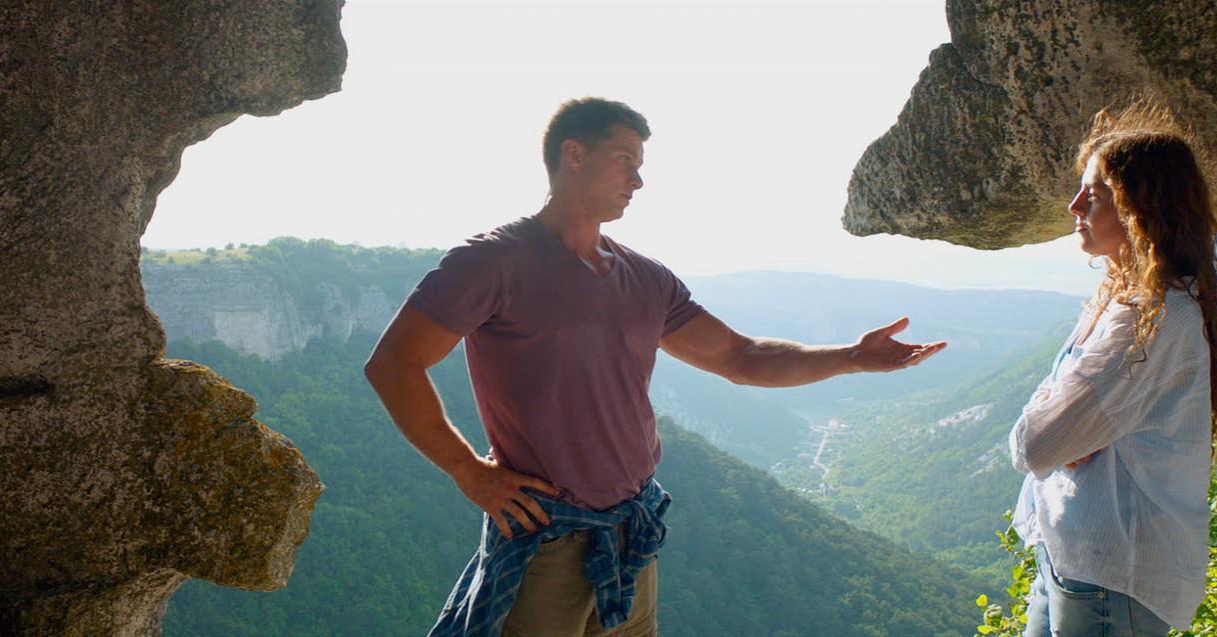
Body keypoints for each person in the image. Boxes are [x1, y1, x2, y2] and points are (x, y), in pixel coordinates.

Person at [363, 97, 946, 637]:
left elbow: (740, 357)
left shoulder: (645, 277)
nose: (638, 180)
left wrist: (851, 358)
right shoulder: (492, 262)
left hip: (631, 531)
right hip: (545, 536)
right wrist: (468, 471)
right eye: (625, 161)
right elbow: (394, 364)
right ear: (574, 156)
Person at [1006, 106, 1217, 636]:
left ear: (1142, 208)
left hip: (1115, 574)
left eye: (1095, 194)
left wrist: (1059, 426)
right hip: (1073, 557)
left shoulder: (1155, 319)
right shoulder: (1123, 299)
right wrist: (1067, 421)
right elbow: (1055, 428)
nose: (1074, 206)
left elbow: (1034, 445)